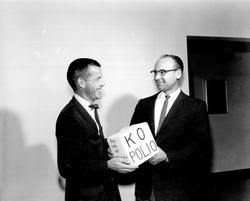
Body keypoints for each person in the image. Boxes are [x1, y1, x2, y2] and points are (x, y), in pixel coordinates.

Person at [130, 54, 212, 201]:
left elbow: (201, 146)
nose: (156, 77)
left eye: (162, 72)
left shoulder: (195, 106)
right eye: (154, 72)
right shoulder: (144, 104)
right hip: (146, 188)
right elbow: (133, 139)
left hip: (178, 188)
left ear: (178, 73)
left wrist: (168, 156)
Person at [56, 58, 137, 201]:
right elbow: (67, 168)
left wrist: (117, 140)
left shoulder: (89, 107)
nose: (102, 83)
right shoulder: (68, 117)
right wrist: (108, 165)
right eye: (98, 78)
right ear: (81, 82)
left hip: (106, 193)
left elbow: (90, 146)